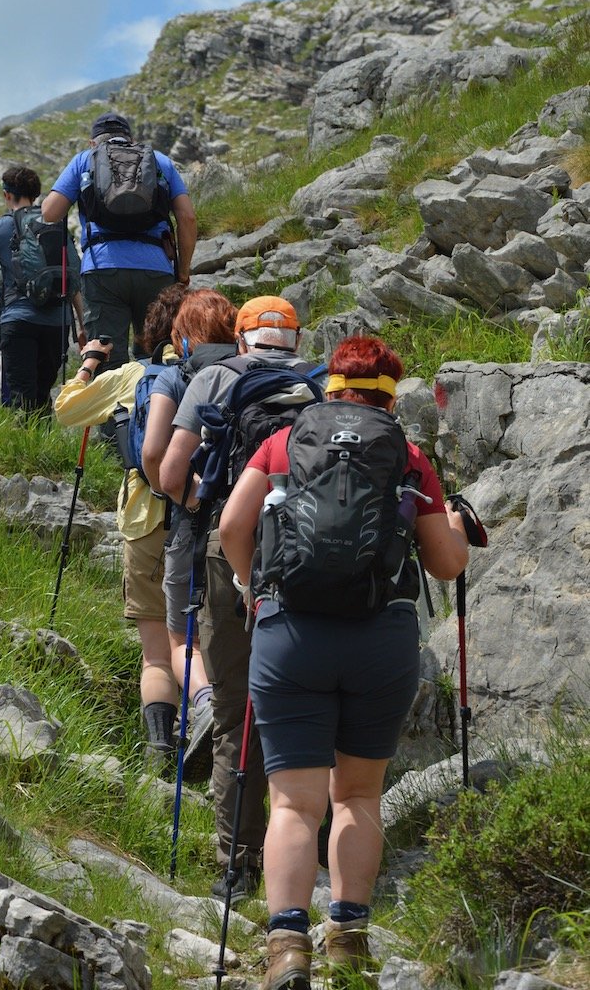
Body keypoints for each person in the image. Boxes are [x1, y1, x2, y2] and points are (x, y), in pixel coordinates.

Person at [218, 335, 470, 990]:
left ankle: (287, 948)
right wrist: (458, 531)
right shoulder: (408, 457)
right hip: (378, 640)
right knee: (357, 795)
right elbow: (446, 564)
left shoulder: (284, 443)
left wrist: (254, 591)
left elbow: (230, 527)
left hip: (290, 634)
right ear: (391, 392)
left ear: (330, 386)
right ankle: (349, 939)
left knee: (294, 805)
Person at [158, 295, 317, 901]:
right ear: (295, 340)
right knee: (300, 706)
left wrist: (209, 508)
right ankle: (305, 844)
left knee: (234, 711)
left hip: (231, 553)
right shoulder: (315, 385)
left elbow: (172, 476)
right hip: (302, 554)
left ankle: (238, 864)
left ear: (242, 336)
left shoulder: (215, 379)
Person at [54, 284, 196, 769]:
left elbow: (66, 408)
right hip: (213, 517)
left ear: (152, 330)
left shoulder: (136, 375)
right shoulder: (224, 373)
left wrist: (91, 360)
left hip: (147, 517)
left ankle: (161, 750)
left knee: (157, 650)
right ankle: (216, 727)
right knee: (210, 638)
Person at [140, 288, 238, 780]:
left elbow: (155, 456)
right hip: (255, 525)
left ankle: (202, 706)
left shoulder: (176, 375)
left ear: (182, 335)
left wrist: (192, 498)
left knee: (181, 636)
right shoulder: (255, 371)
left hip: (194, 524)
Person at [40, 111, 197, 372]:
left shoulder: (83, 160)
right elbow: (188, 218)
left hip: (102, 270)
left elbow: (49, 212)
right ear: (131, 139)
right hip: (156, 269)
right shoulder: (159, 161)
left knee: (106, 356)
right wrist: (182, 272)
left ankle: (116, 412)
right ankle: (155, 407)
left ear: (94, 142)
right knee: (158, 353)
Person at [0, 165, 85, 413]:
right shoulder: (56, 224)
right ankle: (43, 446)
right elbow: (73, 279)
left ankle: (25, 449)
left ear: (7, 195)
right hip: (57, 322)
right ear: (36, 194)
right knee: (41, 393)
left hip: (18, 319)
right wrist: (82, 324)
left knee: (21, 398)